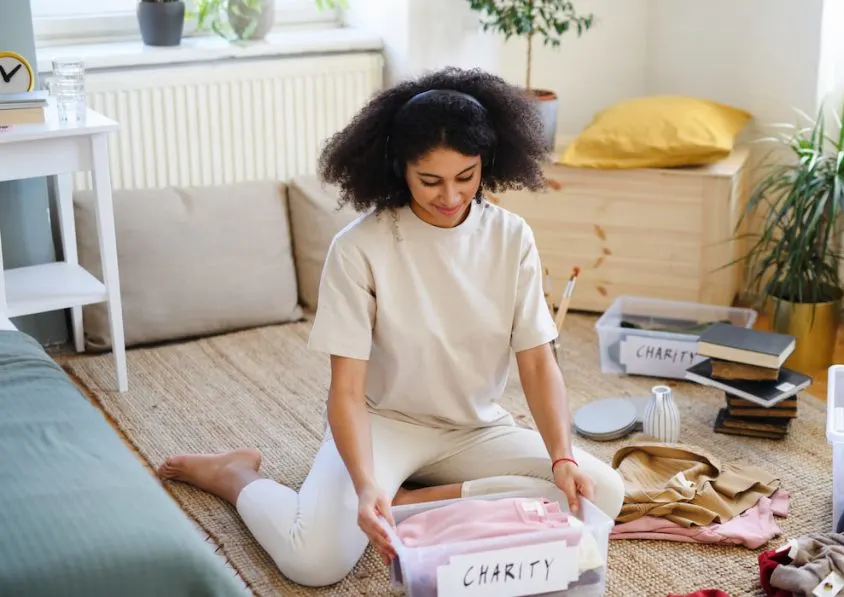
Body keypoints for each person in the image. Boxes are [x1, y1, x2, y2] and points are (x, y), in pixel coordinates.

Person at [157, 66, 625, 588]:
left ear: (486, 164)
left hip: (475, 427)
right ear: (399, 168)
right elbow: (347, 391)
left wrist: (560, 454)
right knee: (314, 562)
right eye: (430, 180)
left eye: (465, 176)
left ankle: (413, 500)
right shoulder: (360, 248)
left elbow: (538, 361)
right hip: (383, 424)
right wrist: (362, 485)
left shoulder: (511, 237)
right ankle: (237, 475)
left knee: (601, 490)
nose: (450, 196)